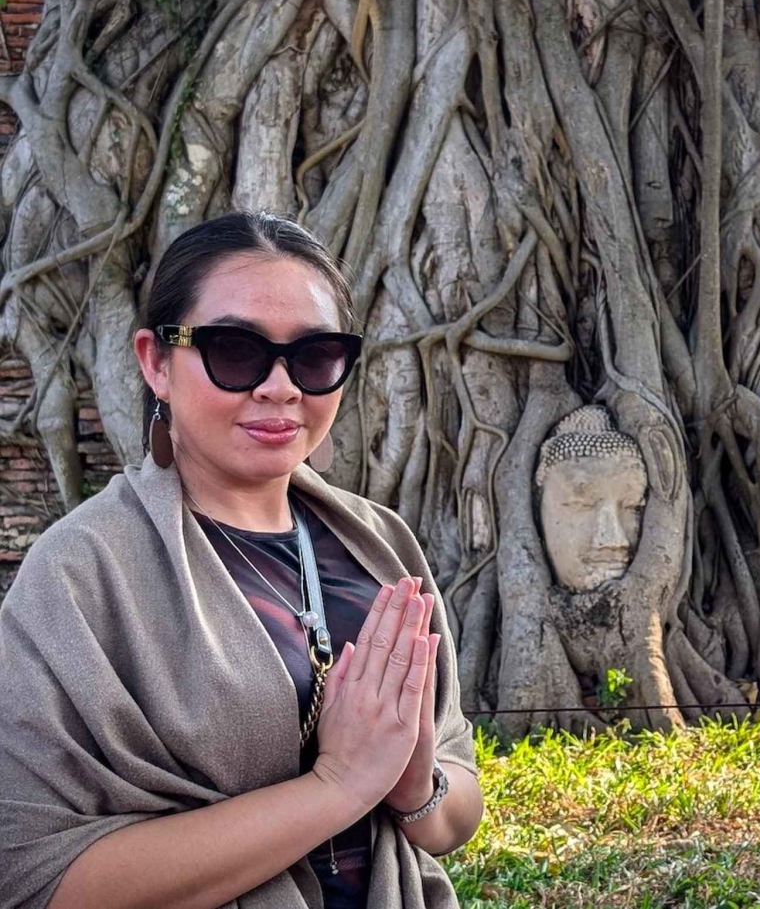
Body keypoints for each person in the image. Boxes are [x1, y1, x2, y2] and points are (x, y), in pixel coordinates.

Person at [0, 211, 483, 909]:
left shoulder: (378, 544)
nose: (280, 387)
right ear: (155, 362)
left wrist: (411, 787)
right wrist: (337, 785)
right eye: (235, 349)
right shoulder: (81, 573)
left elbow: (455, 802)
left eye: (314, 356)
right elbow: (34, 876)